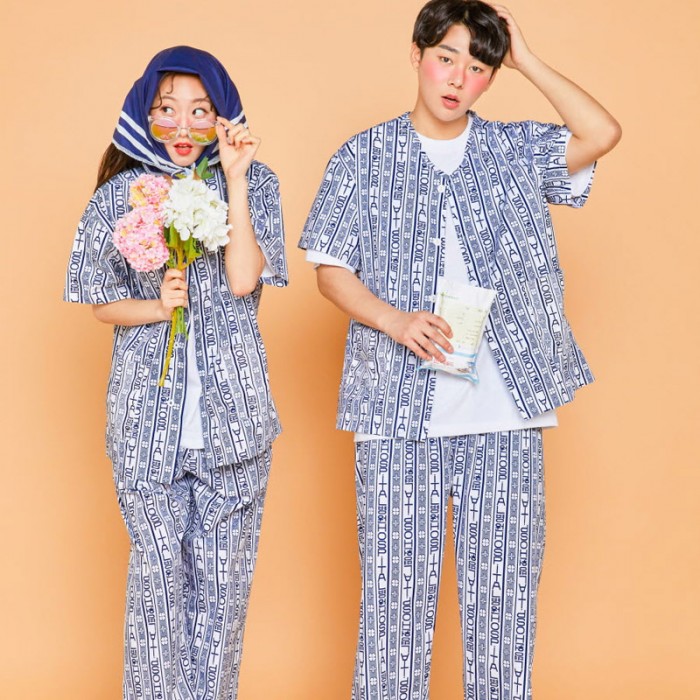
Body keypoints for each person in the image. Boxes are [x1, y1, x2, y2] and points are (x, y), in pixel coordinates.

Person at [299, 1, 620, 698]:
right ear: (416, 55)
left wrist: (525, 58)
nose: (457, 79)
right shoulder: (362, 156)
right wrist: (393, 321)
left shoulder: (516, 150)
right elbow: (329, 268)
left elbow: (602, 132)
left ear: (491, 79)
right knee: (394, 611)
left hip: (506, 415)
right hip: (394, 414)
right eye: (446, 59)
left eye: (477, 68)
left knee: (505, 610)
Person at [65, 46, 287, 699]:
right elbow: (99, 300)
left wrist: (236, 181)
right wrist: (158, 308)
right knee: (157, 591)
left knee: (221, 598)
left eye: (200, 110)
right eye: (168, 109)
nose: (183, 126)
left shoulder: (258, 183)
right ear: (145, 112)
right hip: (145, 427)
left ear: (222, 116)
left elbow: (244, 280)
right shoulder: (119, 195)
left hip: (235, 426)